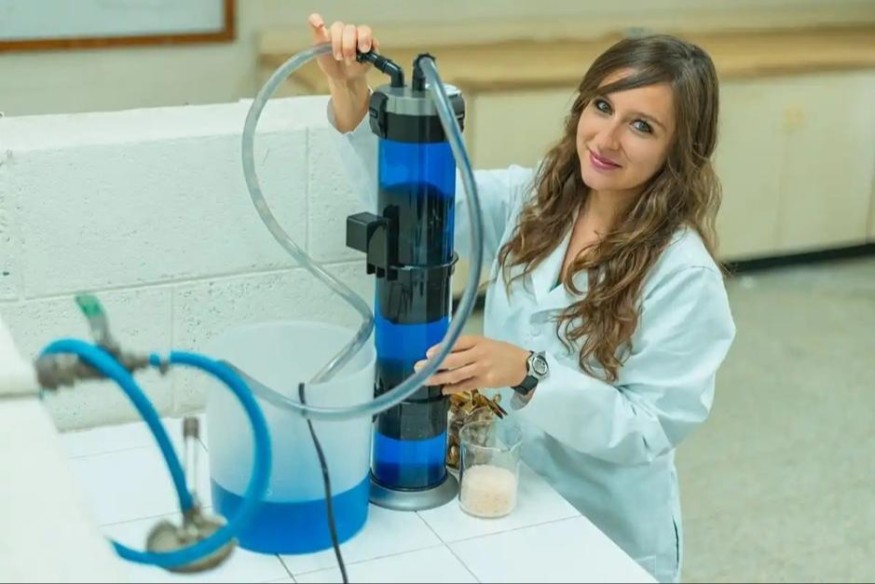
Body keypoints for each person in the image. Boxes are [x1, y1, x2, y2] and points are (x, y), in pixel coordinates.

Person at [308, 13, 736, 584]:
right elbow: (419, 213)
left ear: (680, 150)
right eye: (602, 107)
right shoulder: (537, 197)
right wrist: (351, 93)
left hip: (605, 528)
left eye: (642, 126)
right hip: (508, 492)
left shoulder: (684, 276)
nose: (606, 139)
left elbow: (648, 430)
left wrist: (527, 372)